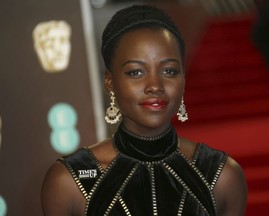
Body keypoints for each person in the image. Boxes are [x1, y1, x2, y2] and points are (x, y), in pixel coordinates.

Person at [41, 4, 247, 216]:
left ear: (183, 79)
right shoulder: (68, 182)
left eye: (169, 70)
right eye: (136, 72)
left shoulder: (221, 176)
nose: (155, 86)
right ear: (110, 81)